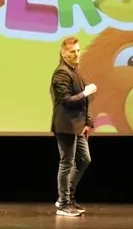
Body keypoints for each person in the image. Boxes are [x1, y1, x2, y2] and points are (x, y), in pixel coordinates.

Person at [50, 36, 97, 217]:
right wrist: (85, 92)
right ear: (64, 54)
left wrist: (88, 122)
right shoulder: (61, 73)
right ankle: (63, 204)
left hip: (77, 126)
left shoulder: (75, 72)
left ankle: (67, 198)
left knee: (84, 159)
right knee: (67, 163)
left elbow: (83, 102)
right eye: (72, 52)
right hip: (66, 125)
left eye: (78, 50)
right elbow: (66, 101)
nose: (77, 54)